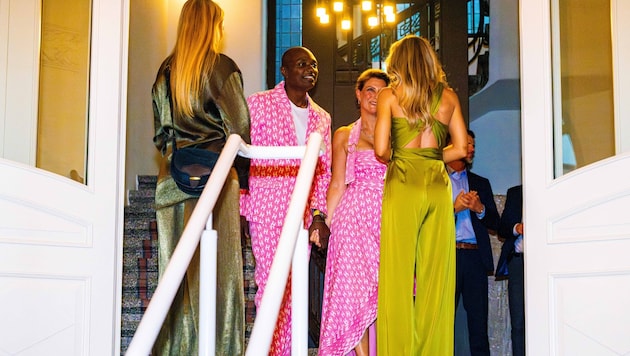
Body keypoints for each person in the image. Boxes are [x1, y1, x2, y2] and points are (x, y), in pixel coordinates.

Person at [151, 1, 250, 355]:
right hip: (218, 181)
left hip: (171, 182)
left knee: (175, 281)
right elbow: (239, 129)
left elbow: (162, 134)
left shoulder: (166, 71)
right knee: (221, 280)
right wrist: (243, 180)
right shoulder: (221, 68)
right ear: (213, 26)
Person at [374, 35, 468, 355]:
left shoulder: (389, 95)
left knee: (398, 272)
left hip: (403, 181)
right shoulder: (449, 97)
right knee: (436, 274)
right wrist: (430, 157)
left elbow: (381, 149)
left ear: (398, 63)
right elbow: (460, 148)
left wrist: (406, 158)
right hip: (437, 185)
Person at [241, 46, 332, 356]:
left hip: (303, 217)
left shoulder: (322, 117)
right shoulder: (258, 104)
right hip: (266, 211)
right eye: (301, 63)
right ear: (284, 70)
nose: (310, 68)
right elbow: (242, 158)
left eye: (314, 64)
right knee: (269, 286)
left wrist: (319, 215)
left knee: (294, 290)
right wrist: (242, 205)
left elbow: (324, 170)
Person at [318, 69, 390, 356]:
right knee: (351, 296)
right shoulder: (345, 134)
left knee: (384, 294)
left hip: (388, 219)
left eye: (381, 92)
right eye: (369, 90)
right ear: (359, 94)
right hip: (353, 220)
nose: (374, 96)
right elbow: (336, 183)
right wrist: (326, 223)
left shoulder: (398, 134)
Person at [447, 129, 500, 356]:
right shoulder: (434, 180)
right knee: (441, 321)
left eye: (473, 145)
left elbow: (497, 225)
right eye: (467, 144)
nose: (472, 149)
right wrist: (453, 210)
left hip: (475, 258)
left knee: (478, 324)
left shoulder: (481, 183)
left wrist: (480, 209)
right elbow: (423, 222)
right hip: (445, 258)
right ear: (451, 145)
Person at [495, 184, 525, 356]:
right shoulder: (515, 193)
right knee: (518, 322)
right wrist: (517, 228)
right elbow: (503, 228)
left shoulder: (557, 191)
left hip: (547, 263)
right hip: (518, 262)